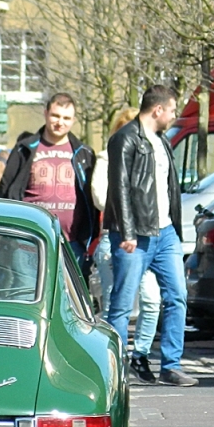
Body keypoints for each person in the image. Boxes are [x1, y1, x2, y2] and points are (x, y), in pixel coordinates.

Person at [103, 86, 195, 387]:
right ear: (158, 110)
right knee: (122, 303)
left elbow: (168, 189)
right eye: (171, 110)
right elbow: (119, 188)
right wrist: (127, 232)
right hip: (135, 234)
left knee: (177, 296)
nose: (173, 116)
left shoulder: (161, 140)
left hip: (165, 232)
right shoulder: (125, 138)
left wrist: (175, 231)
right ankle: (115, 369)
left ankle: (171, 365)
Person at [92, 106, 161, 383]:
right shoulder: (107, 157)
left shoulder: (151, 156)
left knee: (152, 299)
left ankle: (140, 355)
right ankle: (112, 362)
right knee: (114, 303)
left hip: (144, 238)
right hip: (116, 236)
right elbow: (99, 195)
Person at [0, 93, 98, 265]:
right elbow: (6, 190)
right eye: (56, 116)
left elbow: (91, 198)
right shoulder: (25, 149)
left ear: (73, 120)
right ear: (46, 114)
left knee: (67, 293)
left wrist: (87, 239)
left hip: (72, 244)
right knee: (26, 291)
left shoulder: (84, 153)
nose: (60, 122)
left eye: (66, 118)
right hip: (28, 240)